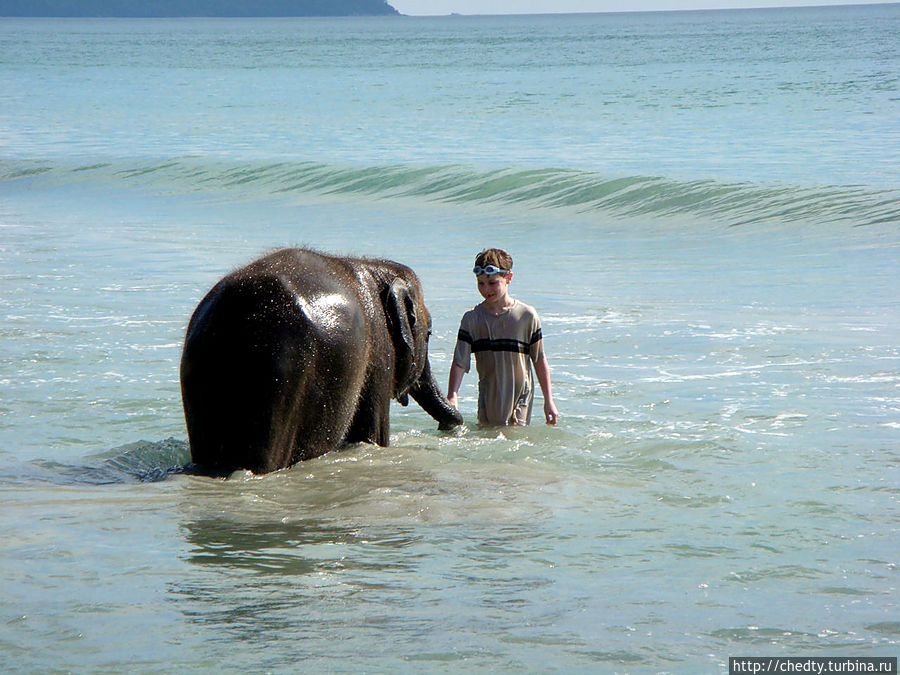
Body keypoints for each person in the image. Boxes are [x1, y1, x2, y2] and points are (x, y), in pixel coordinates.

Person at [447, 248, 559, 426]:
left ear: (509, 278)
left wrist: (549, 400)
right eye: (481, 283)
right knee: (490, 438)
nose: (486, 289)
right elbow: (460, 362)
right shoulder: (472, 319)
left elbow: (539, 359)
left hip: (520, 397)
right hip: (489, 394)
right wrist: (452, 395)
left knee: (514, 440)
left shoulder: (526, 316)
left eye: (492, 283)